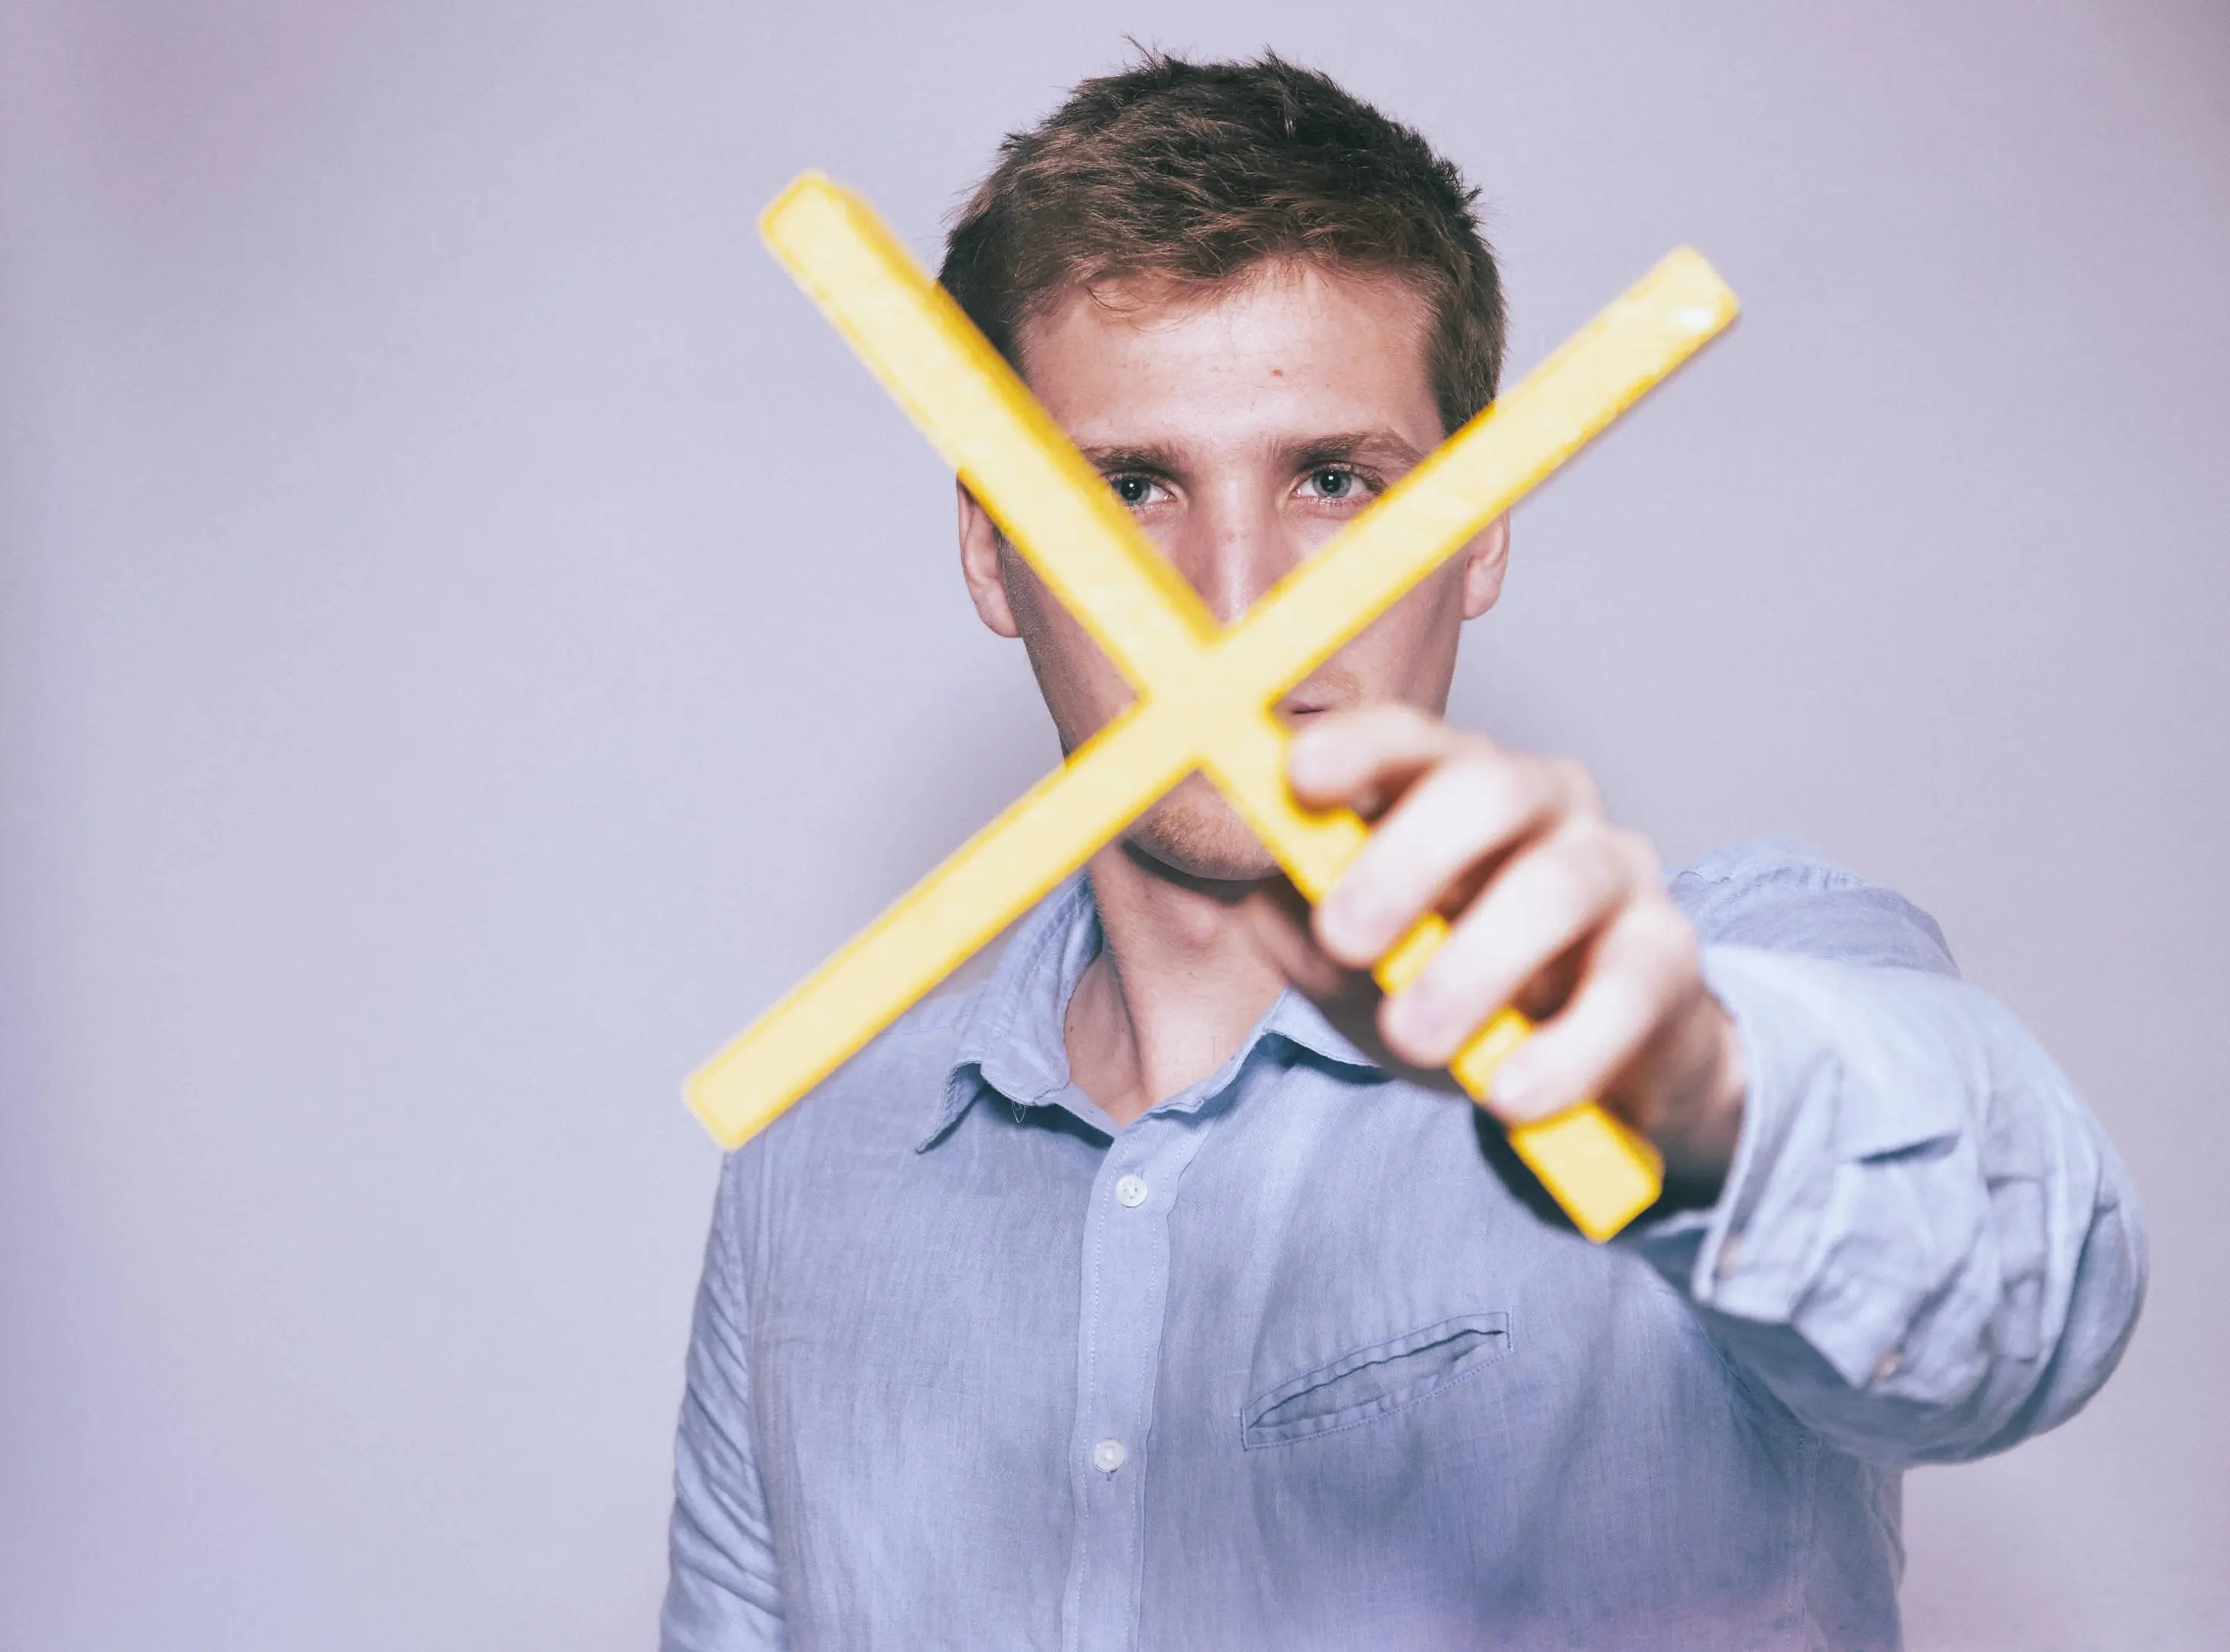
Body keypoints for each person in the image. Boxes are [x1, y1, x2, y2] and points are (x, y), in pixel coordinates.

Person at [660, 51, 2144, 1652]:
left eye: (1334, 481)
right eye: (1128, 489)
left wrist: (1692, 1093)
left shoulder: (1738, 992)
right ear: (990, 549)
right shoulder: (815, 1172)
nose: (1233, 603)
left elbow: (2023, 1298)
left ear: (1481, 526)